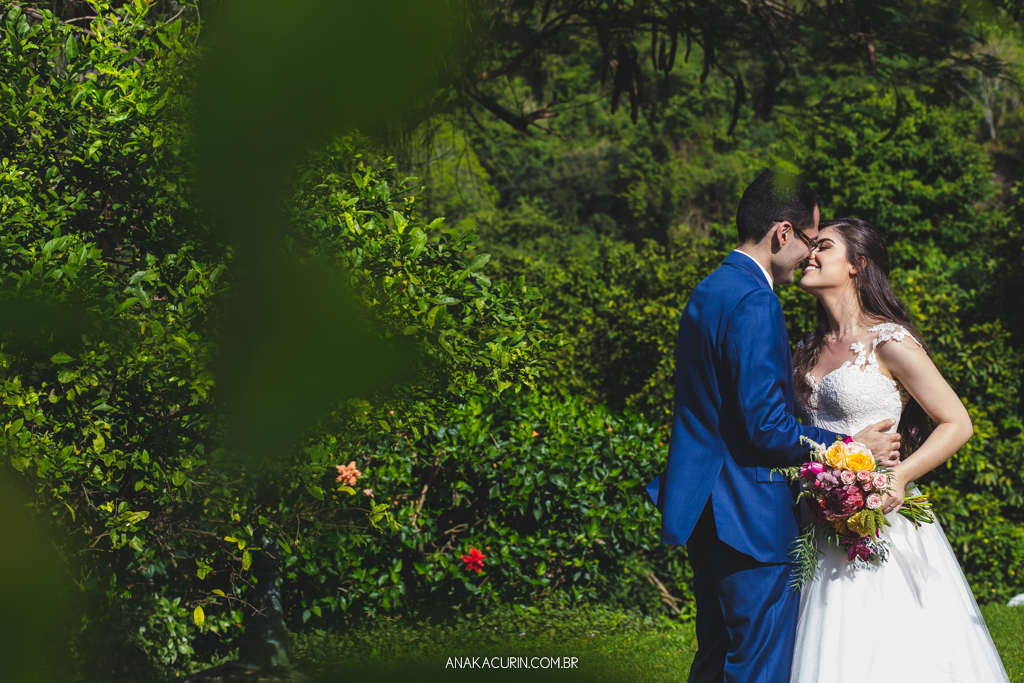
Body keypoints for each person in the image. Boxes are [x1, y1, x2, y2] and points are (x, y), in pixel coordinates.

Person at [645, 169, 901, 683]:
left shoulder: (711, 288)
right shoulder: (756, 301)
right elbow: (767, 427)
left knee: (716, 656)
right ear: (783, 233)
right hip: (749, 517)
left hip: (704, 507)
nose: (810, 254)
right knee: (758, 665)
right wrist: (850, 447)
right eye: (809, 240)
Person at [789, 216, 1009, 682]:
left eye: (823, 246)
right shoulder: (805, 349)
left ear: (857, 264)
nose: (809, 253)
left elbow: (957, 422)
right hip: (820, 523)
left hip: (883, 518)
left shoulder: (889, 340)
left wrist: (900, 476)